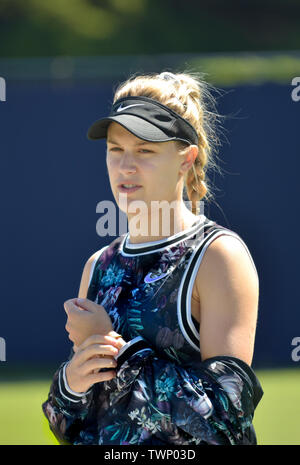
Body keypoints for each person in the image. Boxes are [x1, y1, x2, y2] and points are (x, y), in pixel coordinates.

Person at [42, 71, 263, 445]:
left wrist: (112, 345)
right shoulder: (99, 265)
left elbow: (227, 420)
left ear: (185, 159)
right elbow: (75, 424)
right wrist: (70, 384)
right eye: (116, 149)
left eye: (145, 150)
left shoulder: (217, 256)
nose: (126, 166)